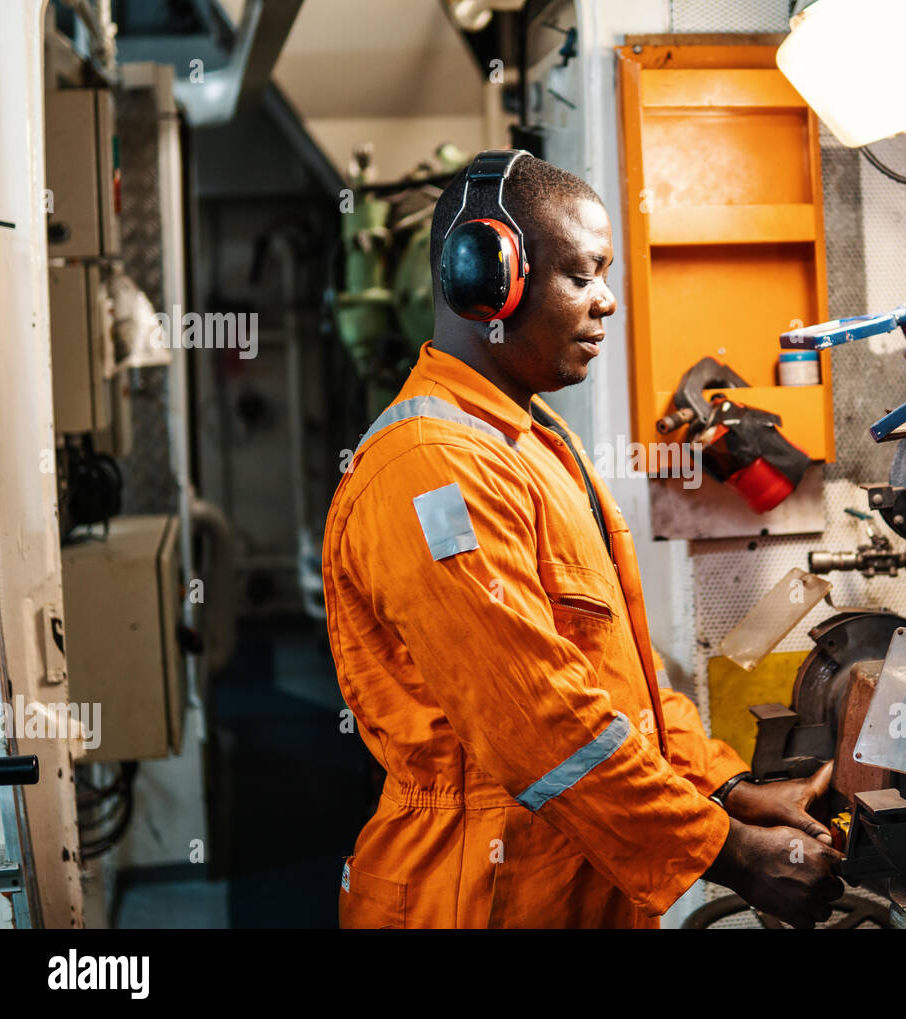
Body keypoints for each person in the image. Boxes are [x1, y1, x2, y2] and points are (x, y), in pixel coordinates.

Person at [322, 150, 843, 929]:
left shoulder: (535, 444)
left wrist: (726, 789)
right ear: (485, 278)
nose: (607, 300)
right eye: (580, 275)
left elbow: (615, 677)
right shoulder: (433, 470)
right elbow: (538, 721)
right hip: (474, 897)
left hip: (565, 887)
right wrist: (732, 852)